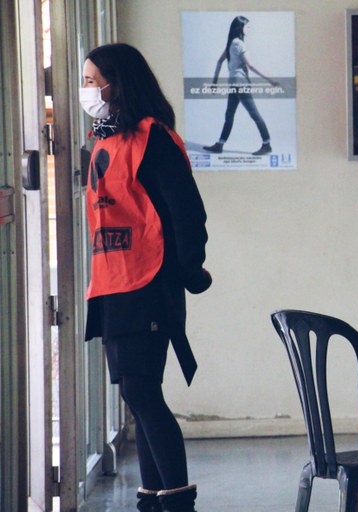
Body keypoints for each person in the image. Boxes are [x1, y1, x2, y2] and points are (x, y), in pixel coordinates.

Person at [81, 43, 212, 512]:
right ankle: (154, 498)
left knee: (140, 390)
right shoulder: (104, 140)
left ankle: (175, 500)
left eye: (92, 82)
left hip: (147, 281)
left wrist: (188, 269)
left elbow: (187, 211)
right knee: (136, 394)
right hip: (111, 281)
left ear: (118, 84)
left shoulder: (152, 137)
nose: (86, 90)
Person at [202, 15, 279, 156]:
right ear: (240, 28)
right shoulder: (239, 44)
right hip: (240, 84)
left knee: (232, 115)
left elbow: (219, 62)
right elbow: (251, 66)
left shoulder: (231, 43)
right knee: (251, 114)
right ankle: (265, 144)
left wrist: (214, 83)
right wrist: (270, 79)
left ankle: (221, 144)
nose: (249, 29)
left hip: (234, 84)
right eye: (247, 27)